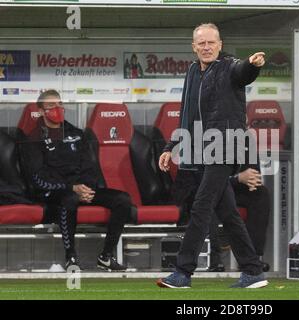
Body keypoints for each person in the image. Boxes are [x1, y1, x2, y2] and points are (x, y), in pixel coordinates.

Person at [157, 23, 267, 288]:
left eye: (211, 43)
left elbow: (244, 72)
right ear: (194, 47)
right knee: (227, 212)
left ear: (220, 44)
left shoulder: (230, 66)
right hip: (200, 149)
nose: (206, 47)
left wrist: (253, 65)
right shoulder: (193, 71)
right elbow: (186, 114)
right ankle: (253, 270)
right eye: (201, 43)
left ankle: (183, 272)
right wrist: (170, 147)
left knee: (202, 205)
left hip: (225, 147)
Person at [20, 89, 132, 271]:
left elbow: (90, 166)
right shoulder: (33, 139)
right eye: (51, 105)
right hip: (55, 192)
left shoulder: (77, 133)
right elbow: (37, 178)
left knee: (123, 200)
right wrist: (71, 188)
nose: (57, 108)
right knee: (69, 199)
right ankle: (70, 256)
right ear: (41, 111)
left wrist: (86, 189)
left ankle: (105, 256)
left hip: (83, 189)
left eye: (60, 104)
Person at [208, 167, 271, 272]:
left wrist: (252, 180)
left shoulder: (246, 150)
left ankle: (251, 258)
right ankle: (214, 259)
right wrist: (237, 178)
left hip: (232, 187)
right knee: (212, 197)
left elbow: (253, 169)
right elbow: (207, 179)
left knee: (261, 194)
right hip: (209, 188)